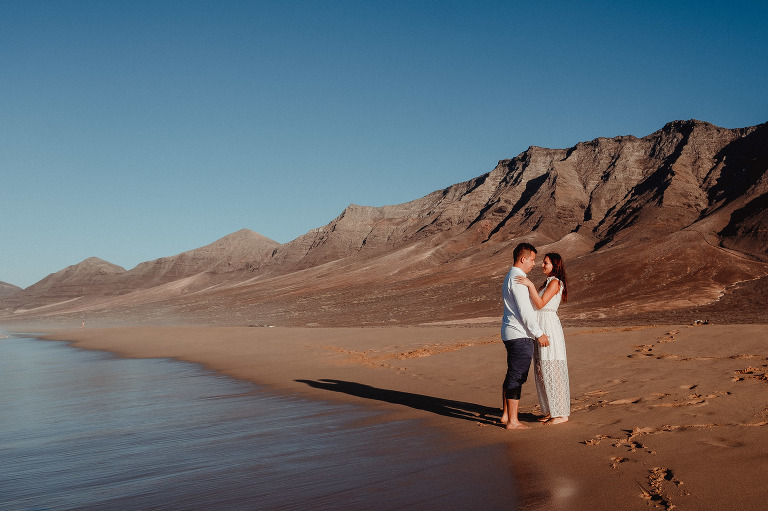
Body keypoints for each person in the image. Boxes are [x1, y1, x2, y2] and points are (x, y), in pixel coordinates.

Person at [516, 253, 570, 424]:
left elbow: (540, 304)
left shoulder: (555, 282)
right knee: (541, 370)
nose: (542, 265)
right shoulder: (548, 282)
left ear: (555, 265)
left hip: (549, 327)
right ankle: (550, 410)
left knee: (552, 368)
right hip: (541, 326)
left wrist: (530, 285)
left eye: (545, 263)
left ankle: (561, 414)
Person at [500, 242, 549, 430]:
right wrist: (539, 334)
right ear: (523, 259)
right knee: (517, 376)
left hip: (511, 332)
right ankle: (513, 421)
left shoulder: (510, 276)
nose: (534, 264)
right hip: (519, 334)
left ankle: (506, 415)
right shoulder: (518, 279)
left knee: (511, 373)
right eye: (532, 260)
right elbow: (525, 311)